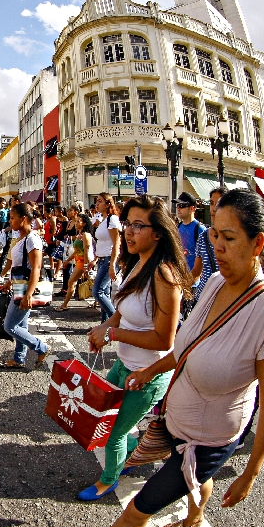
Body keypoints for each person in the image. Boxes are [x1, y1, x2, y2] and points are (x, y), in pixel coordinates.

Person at [107, 189, 264, 527]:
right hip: (176, 423)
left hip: (207, 440)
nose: (216, 246)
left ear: (258, 243)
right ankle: (194, 518)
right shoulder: (216, 282)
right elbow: (185, 346)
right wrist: (151, 370)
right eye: (215, 234)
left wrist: (250, 473)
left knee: (134, 514)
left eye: (230, 237)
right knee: (193, 483)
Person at [79, 195, 190, 502]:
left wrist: (113, 332)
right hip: (123, 365)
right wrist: (104, 327)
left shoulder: (165, 275)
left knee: (113, 431)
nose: (128, 231)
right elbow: (123, 309)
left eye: (138, 225)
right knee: (105, 415)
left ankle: (109, 479)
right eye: (127, 223)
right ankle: (131, 451)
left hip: (148, 374)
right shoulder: (137, 262)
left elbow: (164, 340)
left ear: (158, 232)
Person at [0, 203, 50, 369]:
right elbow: (18, 265)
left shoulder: (32, 239)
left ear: (24, 218)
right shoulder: (20, 237)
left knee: (10, 326)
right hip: (18, 286)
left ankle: (41, 348)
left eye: (13, 218)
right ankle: (19, 358)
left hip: (26, 288)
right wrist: (9, 281)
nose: (10, 221)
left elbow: (36, 268)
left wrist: (28, 294)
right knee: (21, 326)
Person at [191, 187, 229, 305]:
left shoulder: (233, 238)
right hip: (202, 298)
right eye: (212, 203)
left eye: (219, 204)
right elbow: (197, 271)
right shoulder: (203, 236)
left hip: (223, 300)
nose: (213, 208)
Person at [92, 193, 122, 322]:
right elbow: (102, 243)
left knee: (97, 292)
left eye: (100, 201)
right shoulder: (103, 220)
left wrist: (112, 265)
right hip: (102, 259)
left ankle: (116, 320)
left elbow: (117, 243)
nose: (97, 204)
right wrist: (95, 259)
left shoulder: (112, 219)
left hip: (109, 259)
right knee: (104, 292)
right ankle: (105, 324)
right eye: (96, 201)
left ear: (108, 204)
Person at [55, 213, 94, 312]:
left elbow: (86, 251)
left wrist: (86, 266)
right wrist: (67, 260)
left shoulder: (85, 235)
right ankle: (97, 302)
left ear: (84, 223)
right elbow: (77, 251)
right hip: (78, 261)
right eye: (76, 221)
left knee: (71, 282)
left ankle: (65, 304)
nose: (76, 223)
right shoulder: (79, 235)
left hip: (83, 262)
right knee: (92, 283)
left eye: (78, 221)